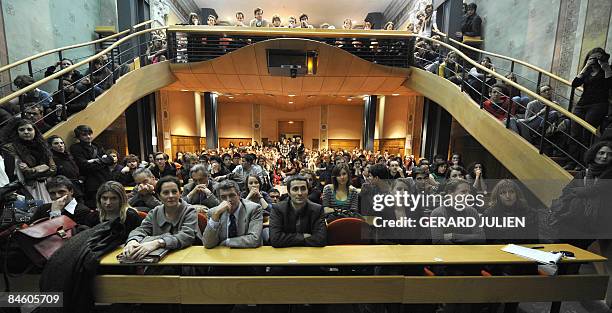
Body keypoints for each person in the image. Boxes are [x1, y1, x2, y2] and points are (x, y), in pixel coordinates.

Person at [122, 176, 200, 260]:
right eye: (166, 193)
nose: (171, 196)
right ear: (159, 196)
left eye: (174, 192)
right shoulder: (155, 212)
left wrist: (158, 243)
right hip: (160, 259)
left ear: (180, 193)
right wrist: (132, 240)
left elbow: (187, 236)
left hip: (187, 259)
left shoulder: (190, 211)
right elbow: (142, 229)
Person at [566, 48, 612, 170]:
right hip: (582, 105)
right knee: (575, 133)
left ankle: (582, 163)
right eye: (593, 58)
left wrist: (606, 67)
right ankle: (572, 161)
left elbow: (610, 85)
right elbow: (574, 84)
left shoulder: (607, 70)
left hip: (598, 105)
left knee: (586, 133)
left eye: (598, 57)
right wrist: (586, 67)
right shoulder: (587, 71)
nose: (596, 60)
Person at [0, 118, 56, 202]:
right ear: (17, 132)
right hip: (28, 188)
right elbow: (25, 173)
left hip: (47, 185)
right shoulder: (10, 147)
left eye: (29, 129)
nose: (26, 132)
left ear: (35, 131)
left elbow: (53, 169)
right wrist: (44, 168)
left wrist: (33, 169)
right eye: (22, 130)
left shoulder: (42, 145)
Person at [269, 175, 326, 248]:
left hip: (310, 253)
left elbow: (321, 239)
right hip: (284, 253)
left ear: (308, 191)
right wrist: (302, 237)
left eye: (303, 189)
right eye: (295, 189)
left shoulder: (317, 210)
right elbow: (275, 240)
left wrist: (287, 239)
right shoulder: (277, 209)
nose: (299, 193)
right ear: (289, 193)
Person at [203, 180, 263, 248]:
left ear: (239, 195)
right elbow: (208, 244)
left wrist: (227, 242)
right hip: (222, 256)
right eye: (223, 197)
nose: (228, 200)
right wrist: (216, 215)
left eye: (232, 195)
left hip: (247, 254)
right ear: (219, 198)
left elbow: (254, 240)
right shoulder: (213, 212)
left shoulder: (253, 209)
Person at [430, 179, 485, 244]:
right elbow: (438, 241)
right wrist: (469, 239)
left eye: (468, 192)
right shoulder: (438, 213)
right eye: (463, 192)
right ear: (450, 193)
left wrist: (453, 236)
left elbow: (481, 238)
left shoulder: (471, 211)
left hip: (469, 252)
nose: (468, 195)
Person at [69, 125, 113, 208]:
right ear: (78, 137)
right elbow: (84, 166)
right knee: (98, 206)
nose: (88, 136)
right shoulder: (76, 148)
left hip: (105, 179)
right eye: (84, 135)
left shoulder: (96, 145)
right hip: (92, 183)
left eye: (89, 134)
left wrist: (94, 161)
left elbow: (110, 160)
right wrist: (103, 161)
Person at [30, 175, 97, 227]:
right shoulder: (43, 209)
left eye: (61, 192)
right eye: (52, 193)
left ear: (71, 191)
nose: (57, 196)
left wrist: (55, 212)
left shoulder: (82, 211)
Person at [47, 135, 83, 199]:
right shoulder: (52, 160)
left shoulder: (69, 156)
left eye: (62, 143)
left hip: (78, 186)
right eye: (56, 143)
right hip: (64, 189)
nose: (60, 145)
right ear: (50, 146)